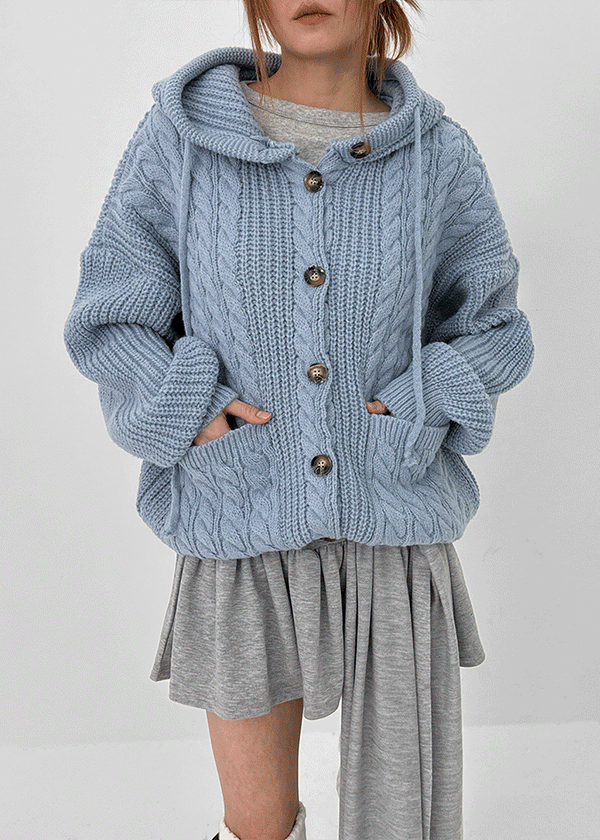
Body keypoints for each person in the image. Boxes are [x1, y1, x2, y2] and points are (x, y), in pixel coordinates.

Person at [62, 1, 535, 838]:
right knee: (256, 826)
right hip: (239, 506)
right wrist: (192, 409)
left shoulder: (437, 153)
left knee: (404, 818)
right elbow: (111, 311)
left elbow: (494, 327)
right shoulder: (181, 139)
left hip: (391, 509)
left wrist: (421, 399)